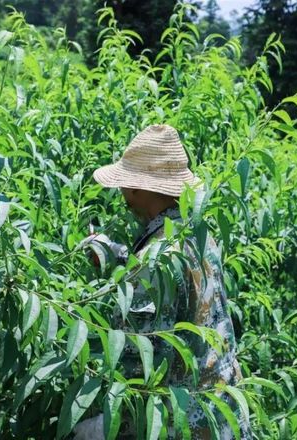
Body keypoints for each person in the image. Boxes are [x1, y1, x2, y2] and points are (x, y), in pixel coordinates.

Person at [74, 124, 251, 439]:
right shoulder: (199, 236)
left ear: (136, 188)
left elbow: (137, 374)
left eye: (125, 184)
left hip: (183, 426)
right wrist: (117, 256)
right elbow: (175, 283)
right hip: (224, 416)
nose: (122, 194)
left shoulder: (150, 266)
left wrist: (100, 429)